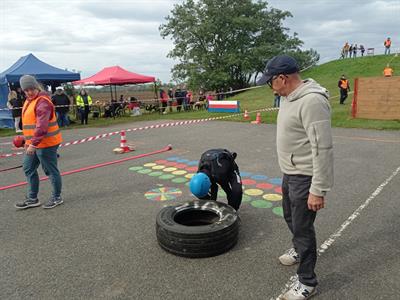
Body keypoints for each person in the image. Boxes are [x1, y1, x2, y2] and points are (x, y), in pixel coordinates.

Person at [257, 55, 334, 299]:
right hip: (290, 173)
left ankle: (307, 282)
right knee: (290, 216)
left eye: (271, 81)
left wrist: (318, 189)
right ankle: (300, 250)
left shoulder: (312, 101)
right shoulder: (287, 98)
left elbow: (322, 147)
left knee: (303, 229)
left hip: (305, 176)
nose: (270, 86)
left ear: (283, 78)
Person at [15, 75, 63, 210]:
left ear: (36, 87)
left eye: (31, 89)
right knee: (28, 167)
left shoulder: (43, 102)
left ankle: (57, 197)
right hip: (34, 143)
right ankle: (32, 198)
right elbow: (31, 125)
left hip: (47, 143)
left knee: (50, 171)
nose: (29, 92)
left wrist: (33, 144)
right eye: (26, 90)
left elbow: (42, 126)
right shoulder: (29, 101)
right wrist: (27, 141)